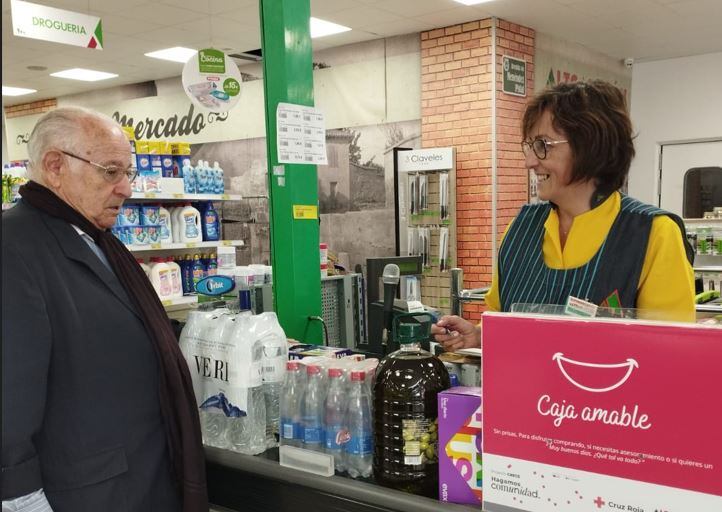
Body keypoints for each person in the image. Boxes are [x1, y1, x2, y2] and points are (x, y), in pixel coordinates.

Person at [2, 107, 208, 511]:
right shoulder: (14, 248)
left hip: (138, 482)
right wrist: (24, 502)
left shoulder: (96, 239)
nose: (126, 188)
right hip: (85, 495)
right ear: (55, 166)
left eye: (127, 173)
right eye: (110, 171)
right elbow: (9, 397)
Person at [432, 80, 695, 352]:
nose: (530, 162)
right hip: (524, 394)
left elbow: (671, 351)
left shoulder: (652, 233)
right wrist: (477, 336)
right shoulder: (520, 229)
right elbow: (503, 319)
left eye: (543, 145)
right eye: (530, 146)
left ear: (592, 146)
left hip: (610, 393)